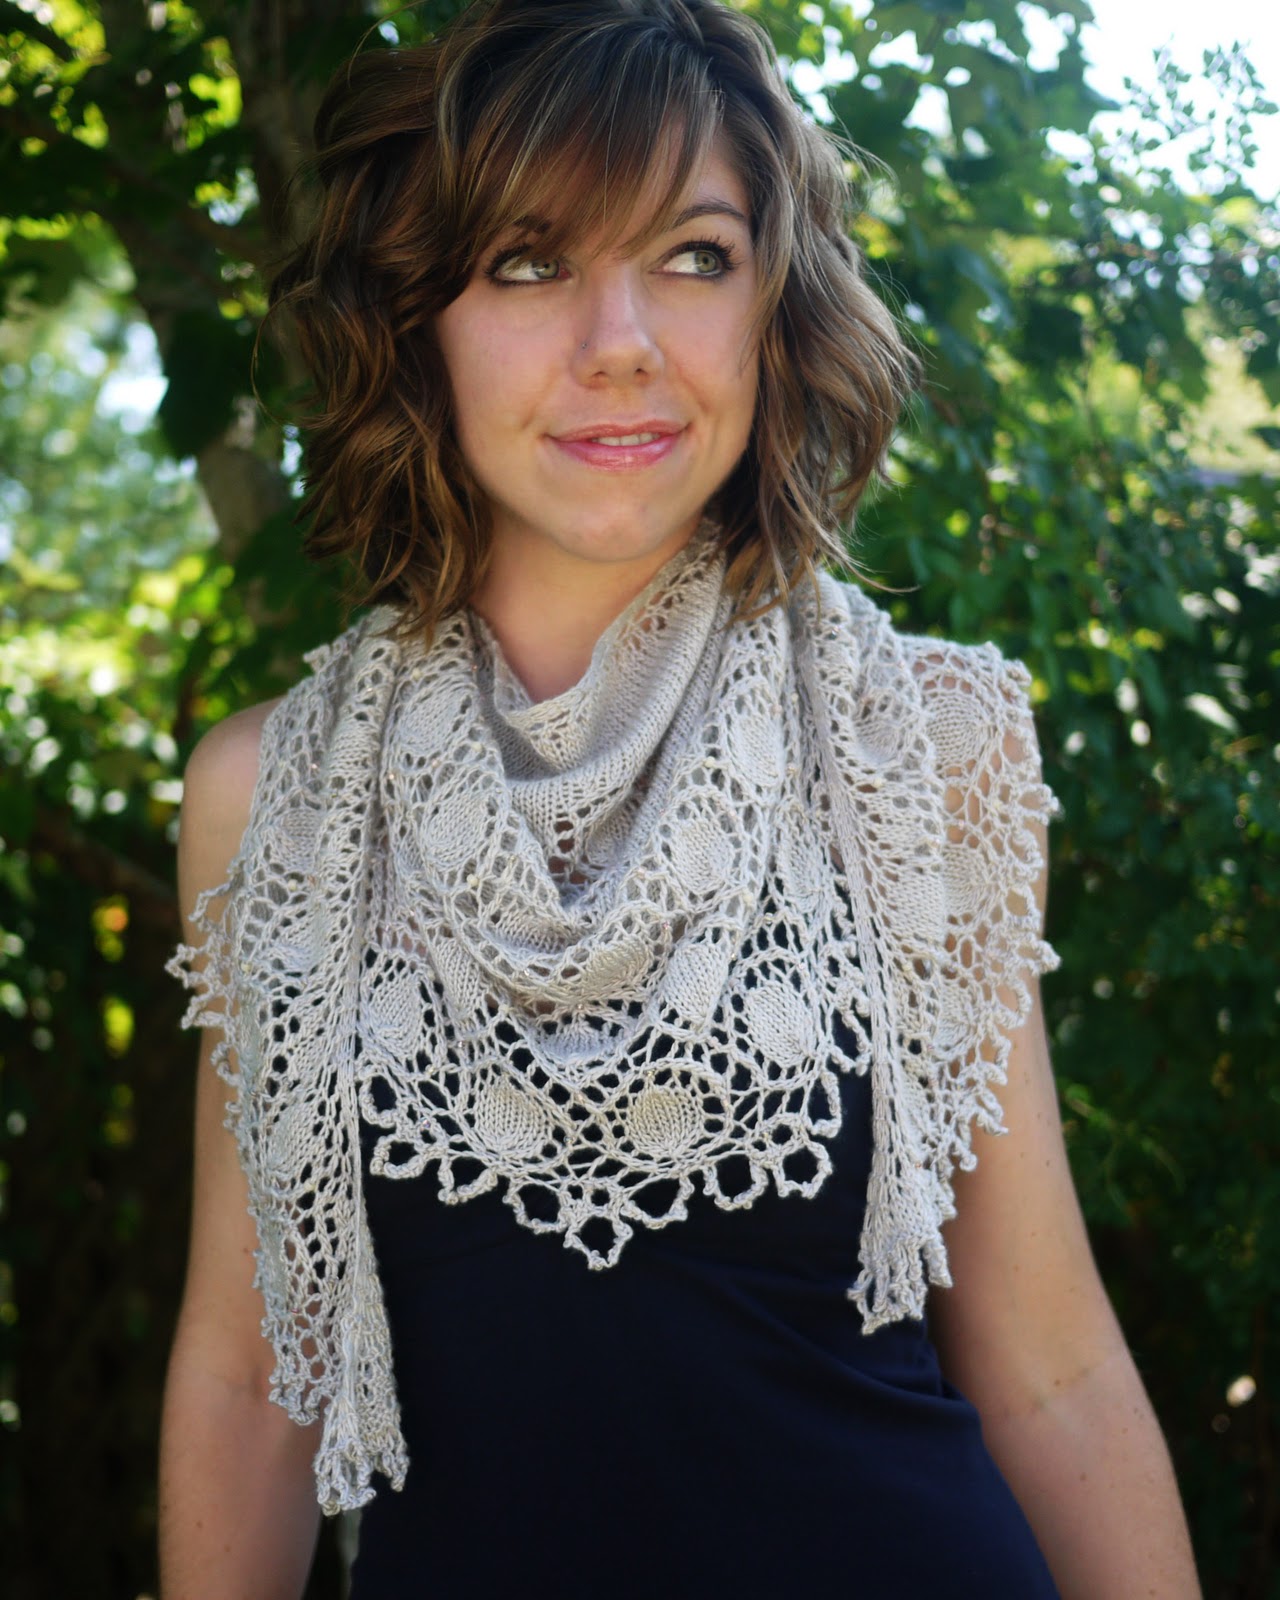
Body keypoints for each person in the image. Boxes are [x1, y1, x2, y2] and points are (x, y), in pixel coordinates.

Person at [158, 2, 1200, 1596]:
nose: (624, 338)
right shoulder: (273, 803)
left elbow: (1050, 1363)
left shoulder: (927, 748)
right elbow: (249, 1380)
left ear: (775, 309)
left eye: (696, 256)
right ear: (417, 318)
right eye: (528, 262)